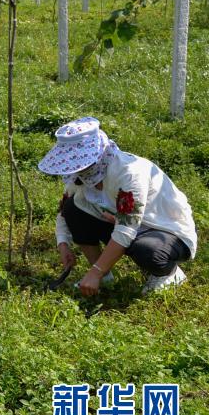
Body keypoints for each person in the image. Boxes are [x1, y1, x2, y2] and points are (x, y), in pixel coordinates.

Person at [38, 117, 197, 297]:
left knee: (149, 252)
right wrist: (63, 243)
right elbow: (64, 208)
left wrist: (94, 272)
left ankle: (169, 274)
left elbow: (127, 227)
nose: (76, 170)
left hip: (165, 230)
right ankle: (104, 276)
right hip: (120, 222)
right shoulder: (82, 174)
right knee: (73, 209)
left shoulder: (129, 173)